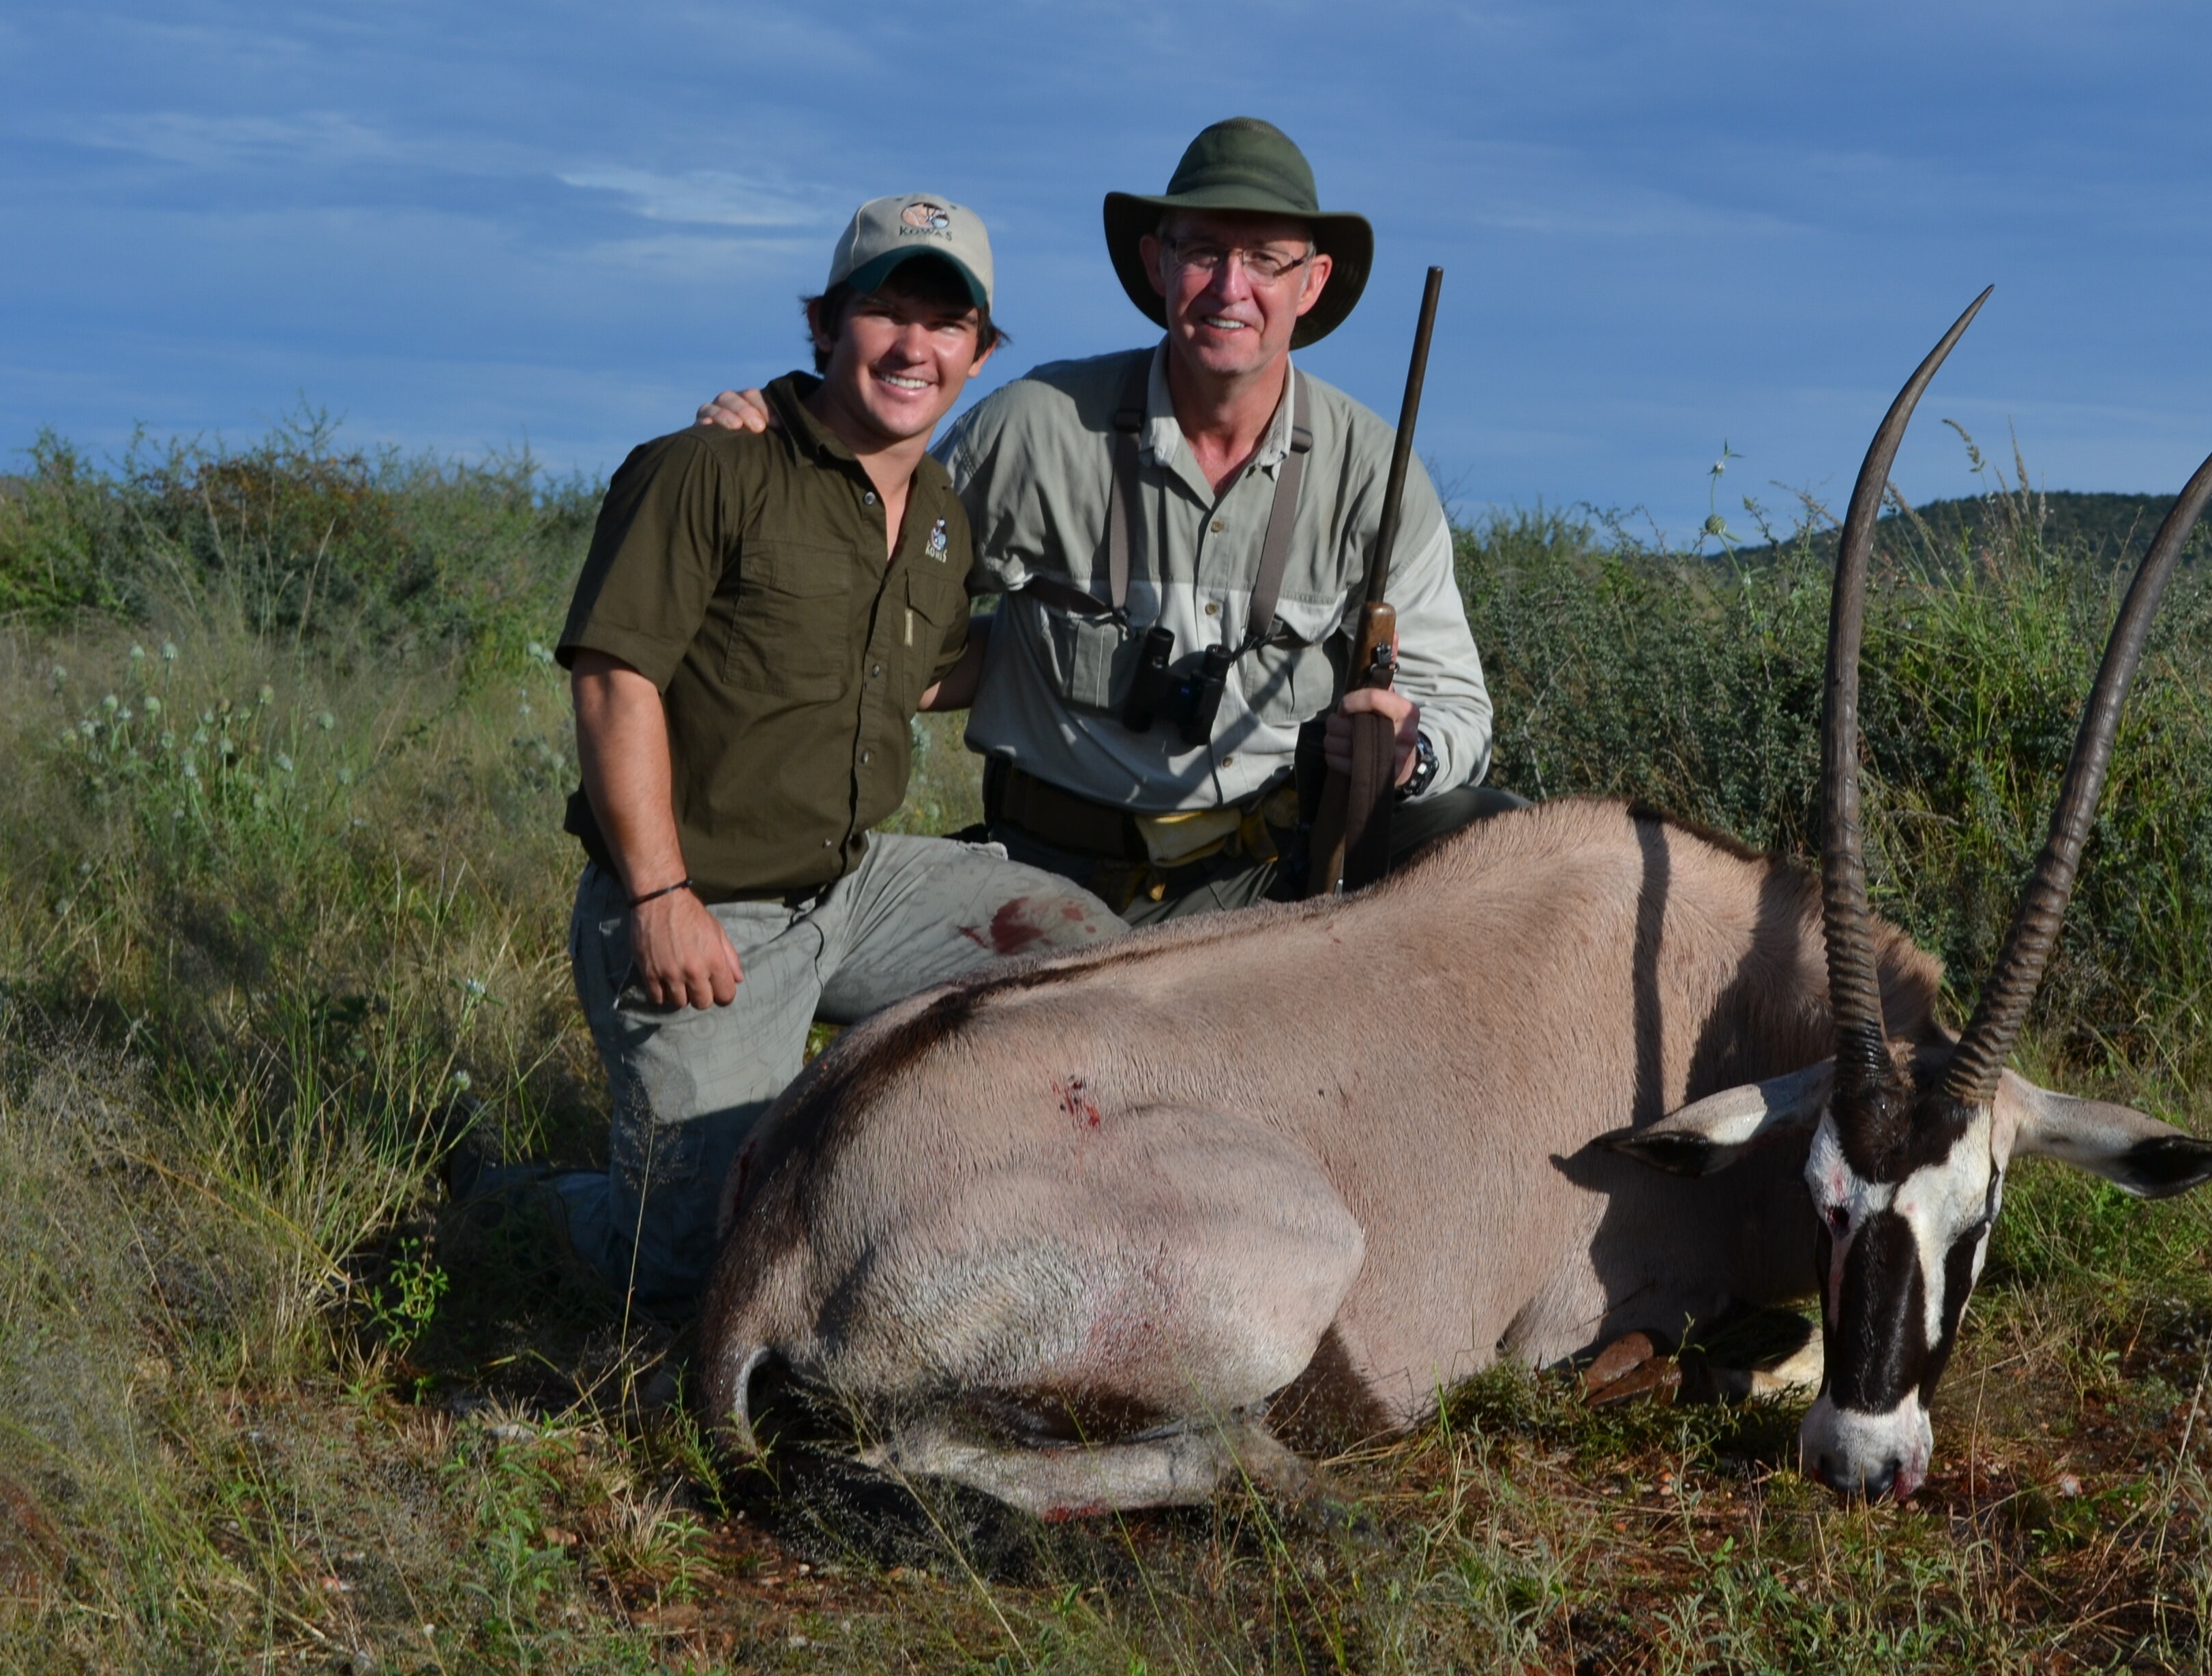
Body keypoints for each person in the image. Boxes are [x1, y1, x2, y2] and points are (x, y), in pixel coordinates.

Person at [700, 117, 1519, 921]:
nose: (1231, 288)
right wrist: (783, 439)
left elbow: (1458, 710)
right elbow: (867, 582)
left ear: (1311, 280)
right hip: (1047, 874)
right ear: (1158, 264)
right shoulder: (1033, 428)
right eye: (1203, 252)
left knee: (1506, 840)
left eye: (1266, 260)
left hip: (1266, 879)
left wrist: (1409, 756)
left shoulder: (1377, 475)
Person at [539, 194, 1124, 1306]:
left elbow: (919, 670)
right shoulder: (708, 468)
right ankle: (540, 1207)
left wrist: (1076, 641)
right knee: (699, 1271)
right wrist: (660, 892)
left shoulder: (944, 511)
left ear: (980, 351)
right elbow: (615, 677)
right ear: (824, 324)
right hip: (704, 910)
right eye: (882, 312)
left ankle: (946, 1202)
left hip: (849, 886)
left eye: (944, 323)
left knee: (1078, 950)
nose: (913, 345)